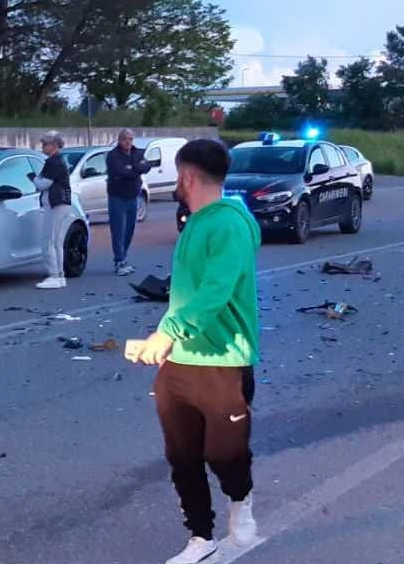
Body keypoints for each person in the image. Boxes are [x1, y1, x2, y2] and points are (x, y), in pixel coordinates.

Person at [127, 139, 261, 563]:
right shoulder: (196, 221)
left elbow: (215, 293)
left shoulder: (230, 225)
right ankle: (202, 540)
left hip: (224, 362)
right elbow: (186, 295)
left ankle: (240, 503)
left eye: (174, 175)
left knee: (224, 454)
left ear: (186, 176)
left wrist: (169, 332)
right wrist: (161, 338)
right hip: (179, 362)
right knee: (181, 456)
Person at [106, 129, 154, 276]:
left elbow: (146, 166)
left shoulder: (137, 152)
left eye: (131, 139)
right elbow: (121, 171)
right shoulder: (113, 155)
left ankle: (124, 258)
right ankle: (119, 261)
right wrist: (136, 169)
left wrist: (134, 168)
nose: (128, 142)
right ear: (119, 139)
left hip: (133, 197)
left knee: (129, 230)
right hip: (117, 197)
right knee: (118, 231)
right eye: (125, 139)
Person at [32, 130, 74, 290]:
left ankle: (54, 275)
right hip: (61, 204)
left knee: (49, 241)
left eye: (45, 143)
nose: (42, 146)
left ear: (54, 145)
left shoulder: (53, 162)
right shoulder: (57, 160)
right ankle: (59, 275)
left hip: (56, 204)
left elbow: (43, 184)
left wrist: (35, 179)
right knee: (56, 241)